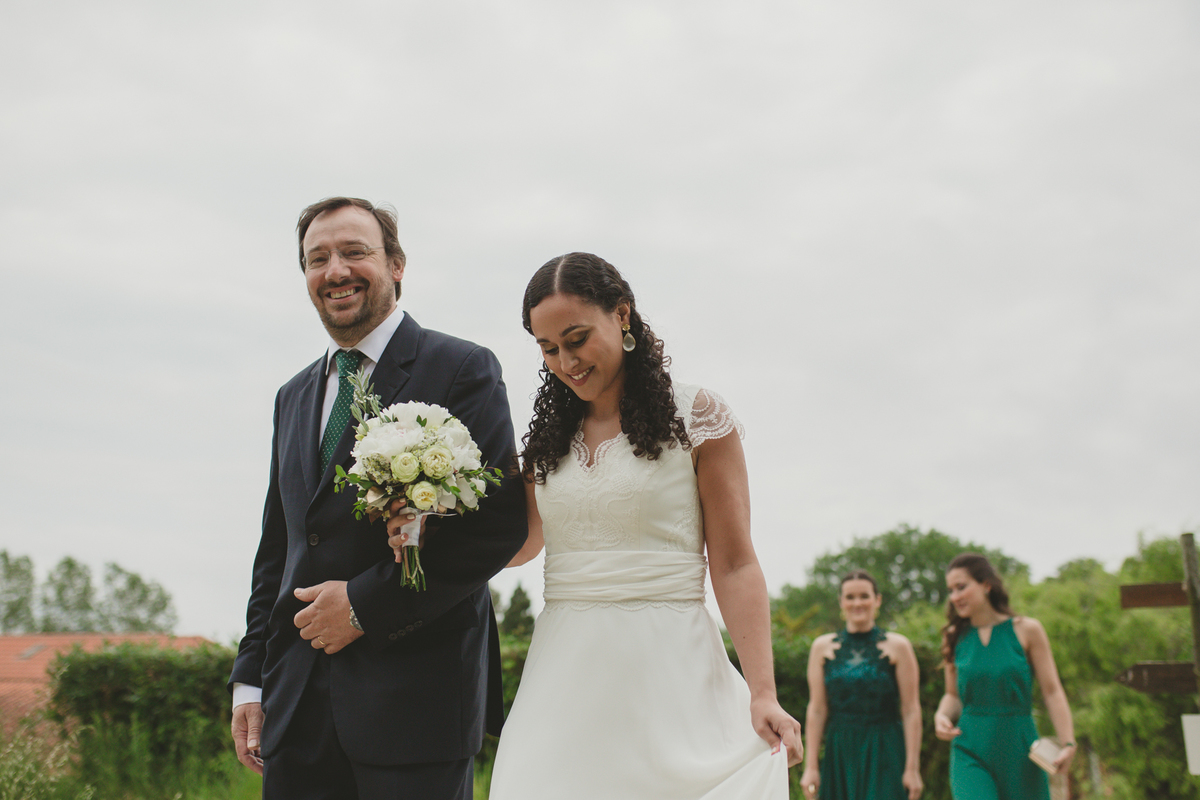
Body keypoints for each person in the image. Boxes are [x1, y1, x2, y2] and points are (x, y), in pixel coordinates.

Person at [227, 197, 527, 800]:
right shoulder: (292, 396)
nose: (335, 270)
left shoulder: (461, 367)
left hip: (415, 707)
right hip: (296, 707)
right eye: (317, 259)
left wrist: (364, 605)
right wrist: (251, 681)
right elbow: (280, 546)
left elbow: (497, 525)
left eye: (353, 252)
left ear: (396, 264)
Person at [478, 251, 800, 799]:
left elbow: (734, 562)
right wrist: (428, 530)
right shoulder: (547, 441)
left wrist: (762, 692)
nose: (566, 362)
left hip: (672, 673)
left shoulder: (698, 418)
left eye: (577, 339)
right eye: (549, 348)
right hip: (562, 679)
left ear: (622, 314)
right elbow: (522, 544)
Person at [934, 553, 1075, 800]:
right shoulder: (953, 636)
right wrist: (941, 715)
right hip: (970, 748)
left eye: (961, 587)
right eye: (950, 591)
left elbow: (1052, 691)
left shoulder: (1027, 630)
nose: (954, 597)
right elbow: (952, 695)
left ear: (986, 585)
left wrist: (1068, 743)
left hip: (1020, 749)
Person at [800, 570, 923, 800]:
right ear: (841, 602)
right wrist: (811, 767)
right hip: (840, 751)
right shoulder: (821, 647)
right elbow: (817, 710)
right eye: (850, 597)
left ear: (877, 600)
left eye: (864, 596)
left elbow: (910, 709)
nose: (857, 603)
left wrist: (912, 768)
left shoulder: (899, 646)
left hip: (885, 748)